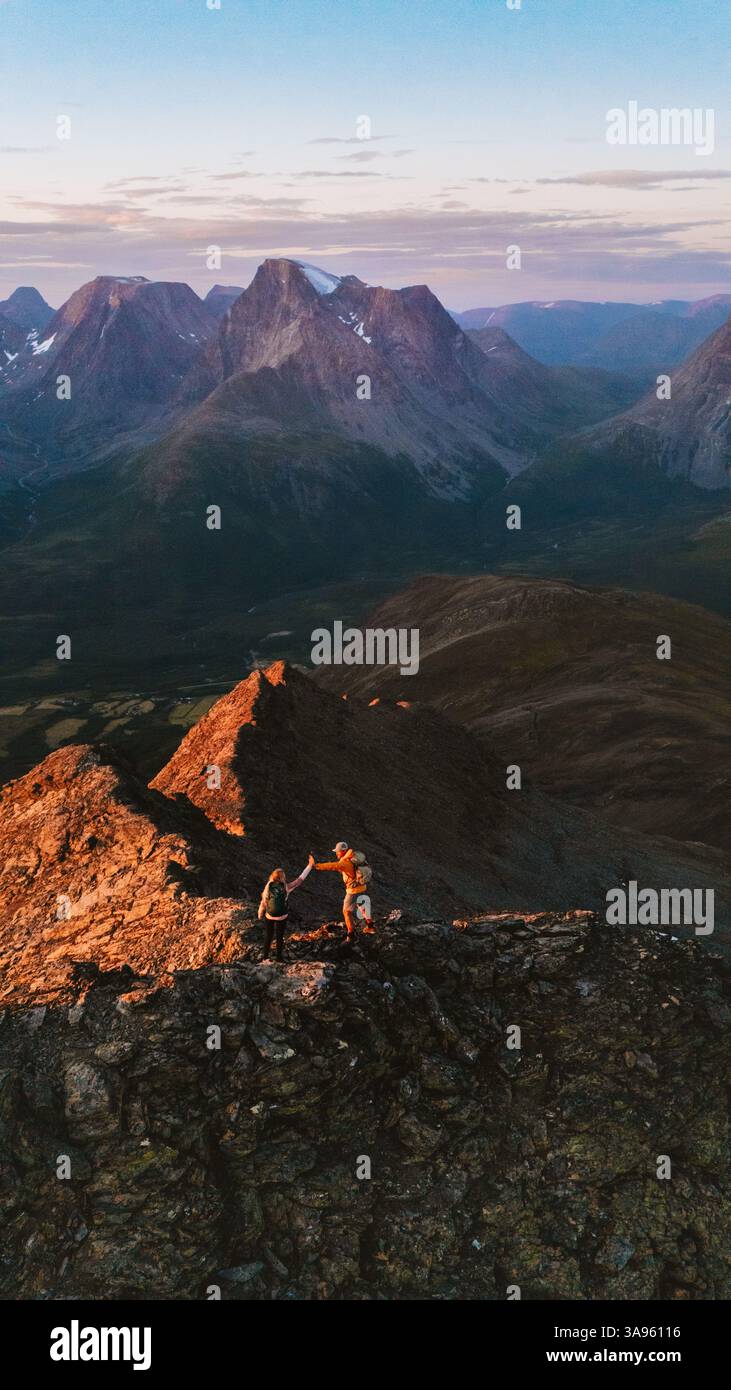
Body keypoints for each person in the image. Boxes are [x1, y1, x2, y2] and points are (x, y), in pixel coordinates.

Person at [258, 854, 314, 961]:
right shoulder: (286, 887)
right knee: (280, 937)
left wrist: (260, 913)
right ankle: (279, 958)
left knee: (268, 936)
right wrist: (309, 866)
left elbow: (264, 901)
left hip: (269, 915)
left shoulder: (269, 886)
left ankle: (265, 958)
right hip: (282, 916)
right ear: (283, 877)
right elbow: (300, 879)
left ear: (272, 876)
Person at [314, 841, 373, 938]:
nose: (336, 853)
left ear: (343, 851)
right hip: (362, 887)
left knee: (346, 911)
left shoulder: (345, 862)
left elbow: (333, 866)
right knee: (361, 905)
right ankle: (370, 926)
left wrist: (317, 866)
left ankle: (351, 934)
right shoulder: (354, 857)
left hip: (353, 890)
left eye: (337, 851)